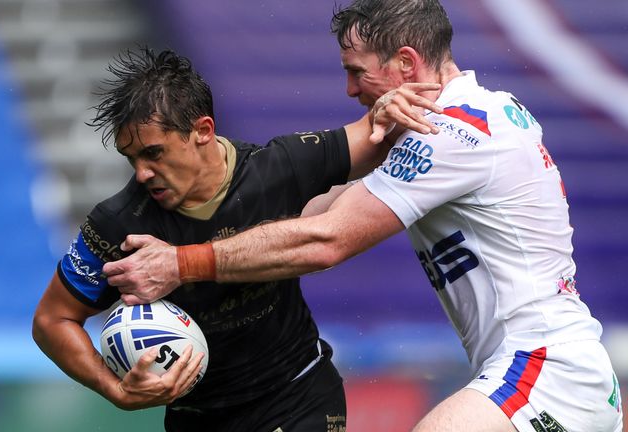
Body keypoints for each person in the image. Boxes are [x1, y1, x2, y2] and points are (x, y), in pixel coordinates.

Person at [102, 2, 625, 431]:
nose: (351, 91)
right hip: (551, 367)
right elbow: (314, 213)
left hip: (541, 367)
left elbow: (325, 241)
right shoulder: (467, 117)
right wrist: (205, 222)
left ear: (405, 63)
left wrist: (182, 262)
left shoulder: (451, 134)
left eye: (357, 73)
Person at [32, 47, 440, 431]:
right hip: (197, 419)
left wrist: (388, 108)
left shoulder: (279, 168)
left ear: (203, 131)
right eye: (132, 159)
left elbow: (376, 134)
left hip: (298, 396)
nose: (141, 173)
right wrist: (115, 389)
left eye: (154, 153)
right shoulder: (117, 224)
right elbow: (52, 320)